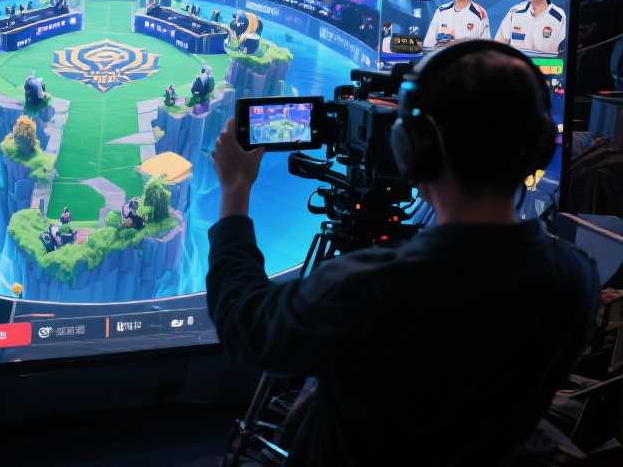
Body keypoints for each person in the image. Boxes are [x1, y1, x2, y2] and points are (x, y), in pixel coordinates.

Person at [208, 40, 599, 465]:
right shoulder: (577, 277)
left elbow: (245, 324)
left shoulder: (371, 287)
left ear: (413, 148)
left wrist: (234, 192)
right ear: (538, 147)